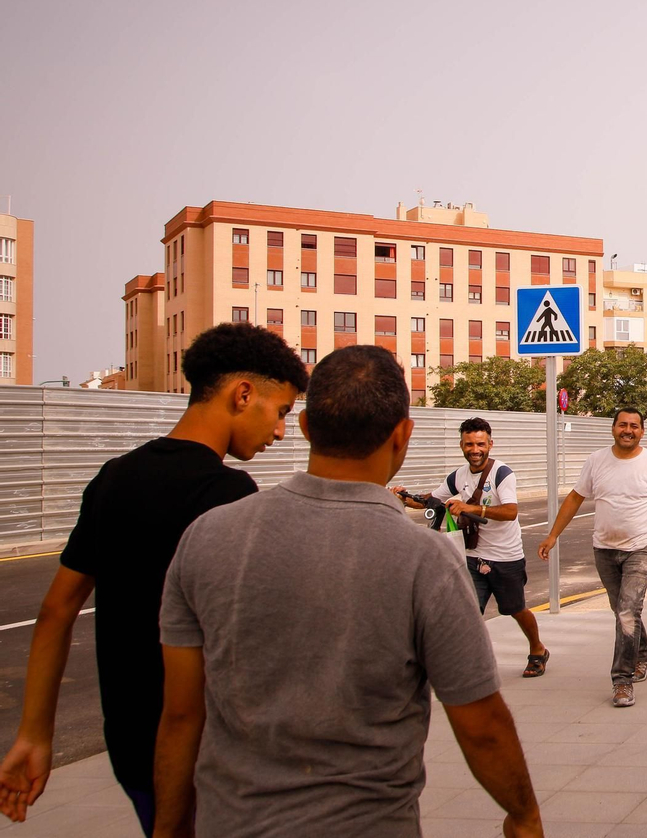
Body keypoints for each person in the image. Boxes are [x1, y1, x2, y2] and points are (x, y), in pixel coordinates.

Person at [153, 346, 542, 837]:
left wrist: (166, 830)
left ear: (305, 427)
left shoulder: (206, 536)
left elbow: (182, 714)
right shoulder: (426, 560)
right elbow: (481, 724)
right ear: (403, 434)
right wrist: (524, 815)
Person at [0, 323, 306, 834]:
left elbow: (56, 611)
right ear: (243, 394)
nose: (279, 432)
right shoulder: (228, 494)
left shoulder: (114, 477)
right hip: (201, 754)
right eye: (280, 414)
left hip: (128, 744)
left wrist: (34, 735)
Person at [538, 408, 647, 708]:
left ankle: (622, 681)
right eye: (623, 425)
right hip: (604, 549)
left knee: (626, 612)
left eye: (634, 426)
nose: (628, 430)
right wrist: (553, 534)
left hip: (641, 547)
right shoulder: (596, 461)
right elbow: (574, 498)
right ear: (613, 429)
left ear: (642, 432)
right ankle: (643, 654)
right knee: (623, 611)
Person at [397, 417, 549, 678]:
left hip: (505, 557)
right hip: (472, 556)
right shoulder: (457, 476)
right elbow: (431, 501)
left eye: (480, 444)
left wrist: (472, 507)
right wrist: (404, 497)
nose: (475, 450)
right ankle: (469, 662)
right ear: (461, 445)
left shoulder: (502, 473)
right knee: (467, 612)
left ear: (490, 444)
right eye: (469, 444)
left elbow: (511, 512)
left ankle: (538, 649)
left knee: (515, 609)